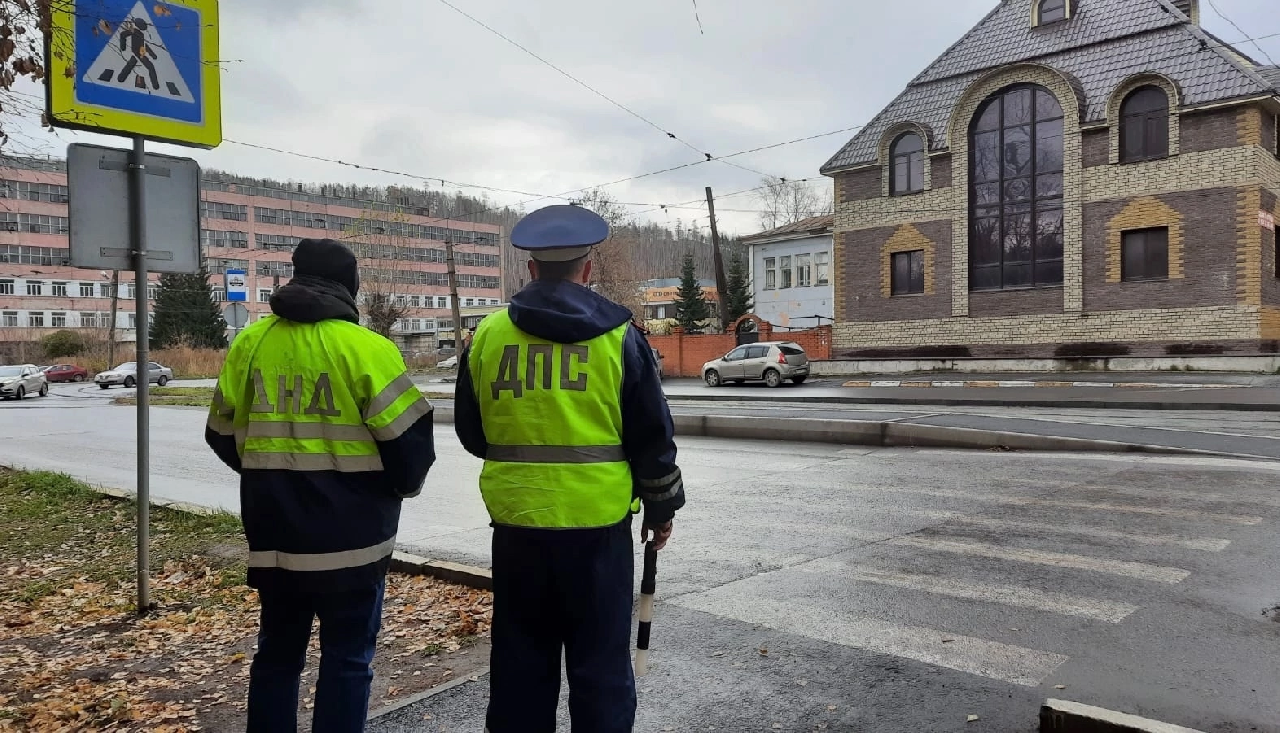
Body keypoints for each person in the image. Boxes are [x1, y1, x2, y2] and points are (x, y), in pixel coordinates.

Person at [454, 204, 685, 733]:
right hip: (599, 531)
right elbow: (653, 437)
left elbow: (472, 434)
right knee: (600, 668)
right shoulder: (621, 338)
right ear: (586, 270)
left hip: (517, 527)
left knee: (520, 666)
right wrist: (662, 507)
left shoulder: (486, 337)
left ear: (530, 270)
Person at [205, 238, 436, 733]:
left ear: (295, 277)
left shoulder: (251, 343)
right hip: (353, 542)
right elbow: (410, 446)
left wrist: (267, 480)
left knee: (277, 656)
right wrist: (395, 489)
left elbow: (220, 434)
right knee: (349, 658)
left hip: (276, 540)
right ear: (351, 286)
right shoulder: (368, 349)